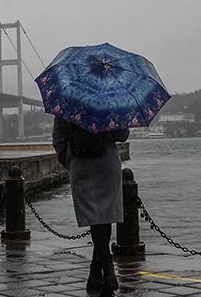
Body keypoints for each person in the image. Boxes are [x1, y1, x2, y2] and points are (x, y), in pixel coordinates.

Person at [52, 117, 130, 295]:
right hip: (107, 162)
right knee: (106, 214)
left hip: (80, 164)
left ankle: (96, 273)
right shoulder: (109, 102)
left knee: (94, 216)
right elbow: (123, 135)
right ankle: (108, 270)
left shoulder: (67, 103)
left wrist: (70, 160)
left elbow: (58, 139)